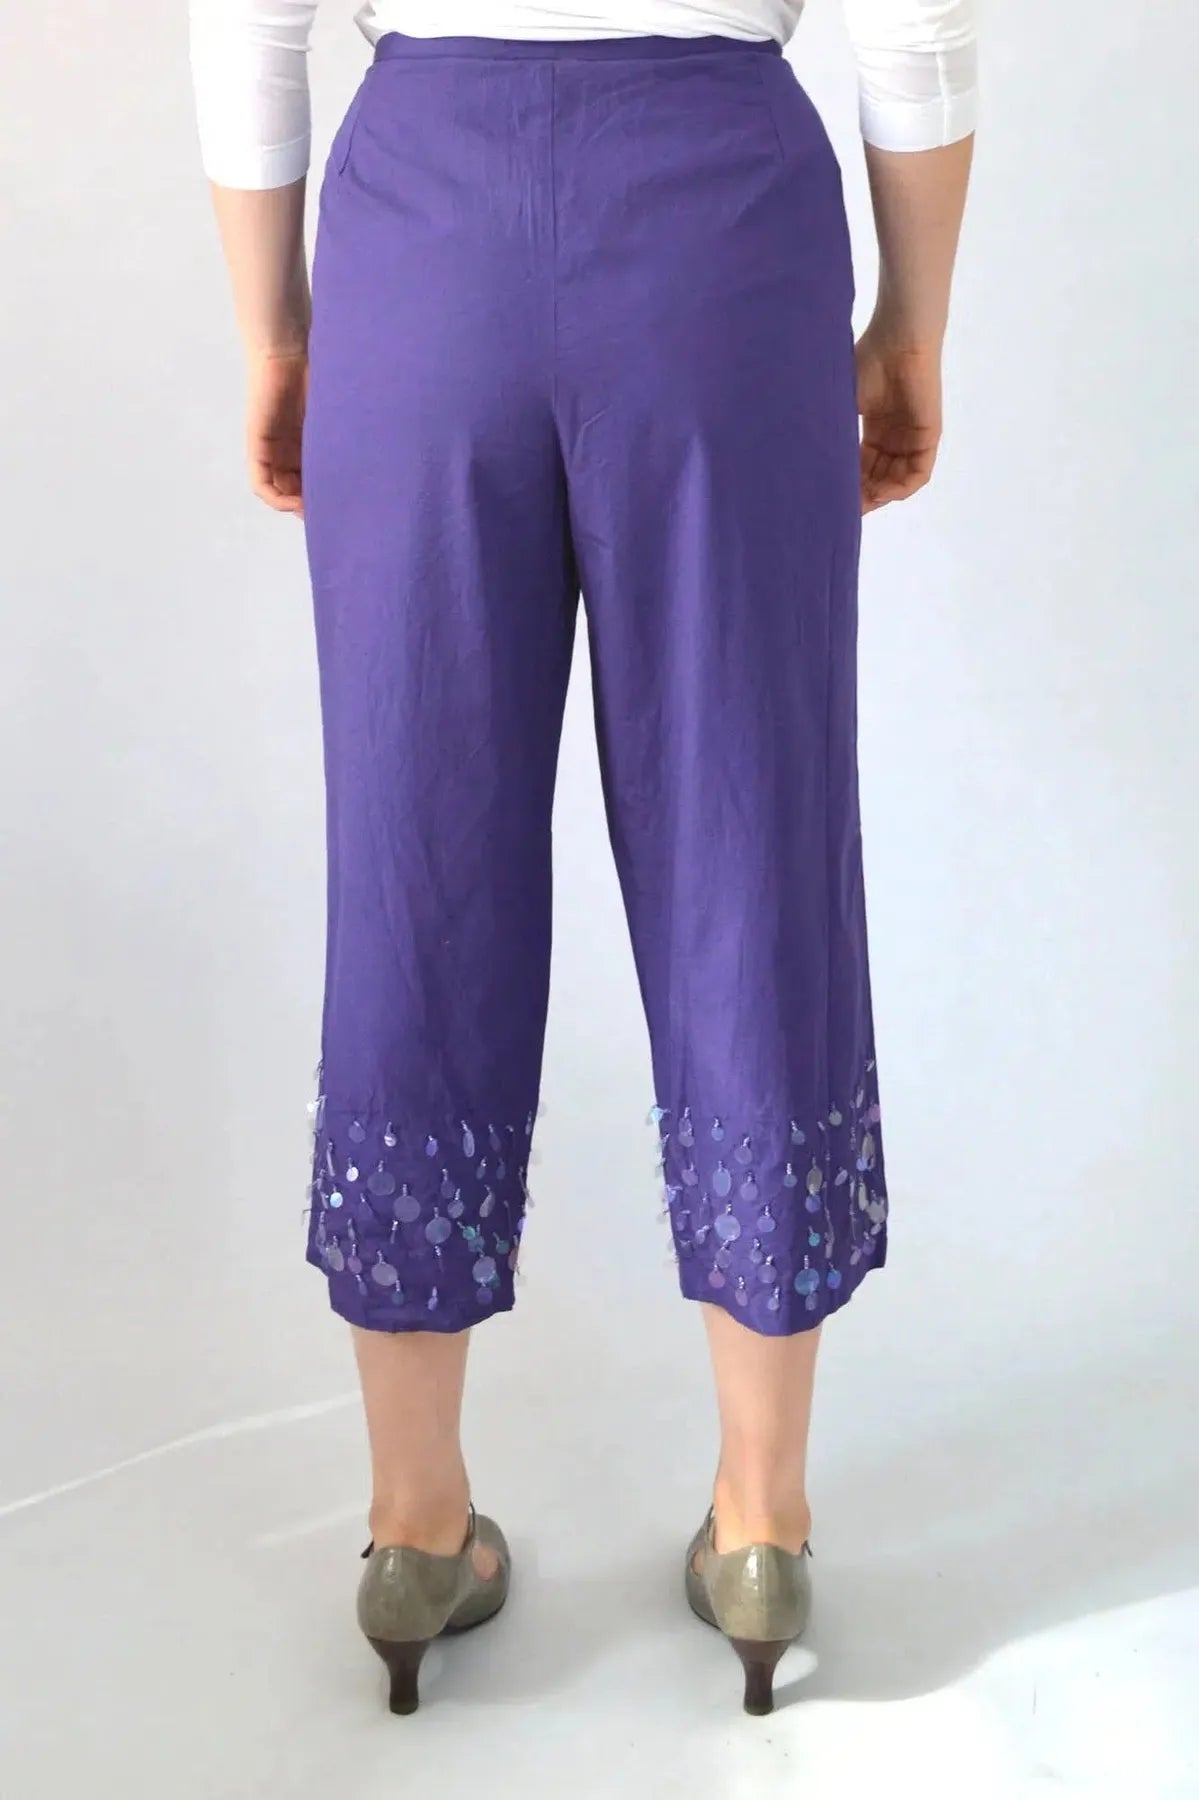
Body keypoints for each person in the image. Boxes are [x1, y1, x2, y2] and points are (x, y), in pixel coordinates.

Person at [188, 0, 975, 1717]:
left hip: (423, 238)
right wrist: (912, 325)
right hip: (725, 240)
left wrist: (276, 332)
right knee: (750, 838)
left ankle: (414, 1526)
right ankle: (760, 1522)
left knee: (414, 847)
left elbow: (247, 20)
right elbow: (916, 25)